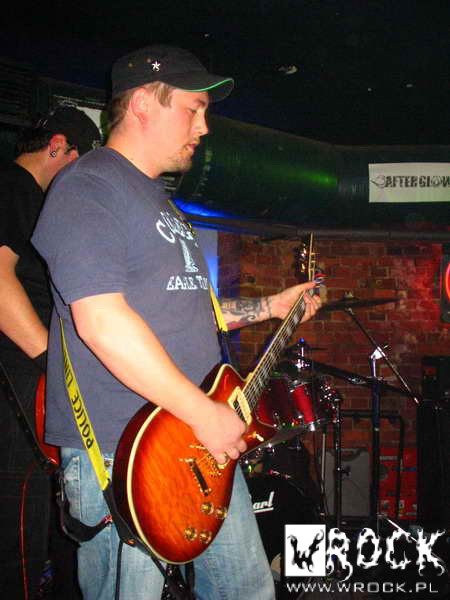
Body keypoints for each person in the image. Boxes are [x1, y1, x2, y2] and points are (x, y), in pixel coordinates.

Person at [32, 45, 321, 600]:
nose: (204, 127)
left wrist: (271, 306)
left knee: (247, 591)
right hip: (125, 451)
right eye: (194, 108)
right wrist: (204, 413)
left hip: (198, 443)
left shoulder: (163, 206)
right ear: (143, 103)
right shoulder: (89, 185)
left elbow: (188, 308)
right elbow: (101, 320)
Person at [0, 106, 101, 599]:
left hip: (29, 368)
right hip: (20, 370)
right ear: (57, 145)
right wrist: (54, 366)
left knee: (42, 508)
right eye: (78, 160)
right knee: (19, 511)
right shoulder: (13, 187)